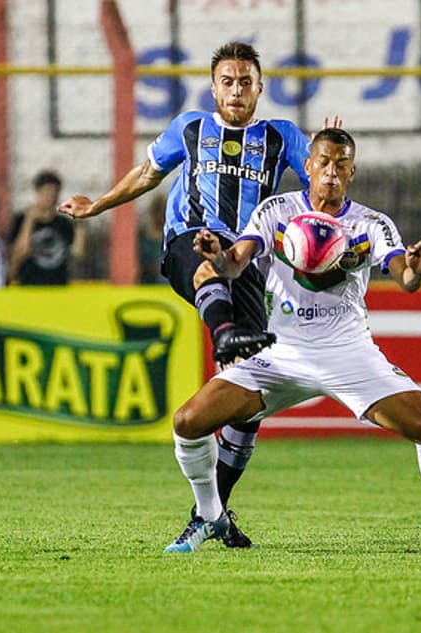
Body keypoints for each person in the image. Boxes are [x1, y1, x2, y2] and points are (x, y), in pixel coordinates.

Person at [59, 41, 332, 548]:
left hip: (247, 261)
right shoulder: (190, 128)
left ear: (259, 89)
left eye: (245, 82)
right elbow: (148, 174)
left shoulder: (281, 136)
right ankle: (223, 332)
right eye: (227, 82)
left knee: (247, 399)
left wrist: (329, 153)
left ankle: (212, 513)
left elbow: (321, 185)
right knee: (206, 261)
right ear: (213, 88)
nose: (236, 90)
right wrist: (97, 205)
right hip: (190, 241)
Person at [164, 127, 421, 557]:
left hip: (347, 352)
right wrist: (217, 257)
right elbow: (236, 264)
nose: (331, 171)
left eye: (341, 164)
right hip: (279, 353)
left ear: (352, 172)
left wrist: (414, 268)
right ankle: (210, 515)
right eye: (324, 162)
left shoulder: (370, 224)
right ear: (308, 166)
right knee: (188, 422)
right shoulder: (277, 210)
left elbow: (404, 277)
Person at [9, 169, 85, 285]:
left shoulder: (63, 223)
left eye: (54, 192)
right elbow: (21, 253)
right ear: (38, 192)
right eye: (47, 192)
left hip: (57, 286)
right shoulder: (21, 220)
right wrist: (29, 221)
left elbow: (77, 253)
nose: (51, 197)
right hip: (30, 286)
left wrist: (81, 228)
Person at [138, 193, 168, 284]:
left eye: (163, 212)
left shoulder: (173, 237)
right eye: (158, 211)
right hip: (149, 282)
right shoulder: (143, 237)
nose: (161, 216)